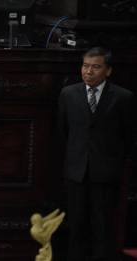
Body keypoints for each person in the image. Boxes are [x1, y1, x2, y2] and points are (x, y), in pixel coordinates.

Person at [58, 47, 135, 261]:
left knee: (103, 229)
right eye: (85, 66)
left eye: (95, 67)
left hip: (106, 175)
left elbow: (128, 138)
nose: (88, 72)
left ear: (108, 71)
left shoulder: (123, 98)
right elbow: (62, 133)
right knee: (76, 228)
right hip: (76, 174)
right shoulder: (68, 94)